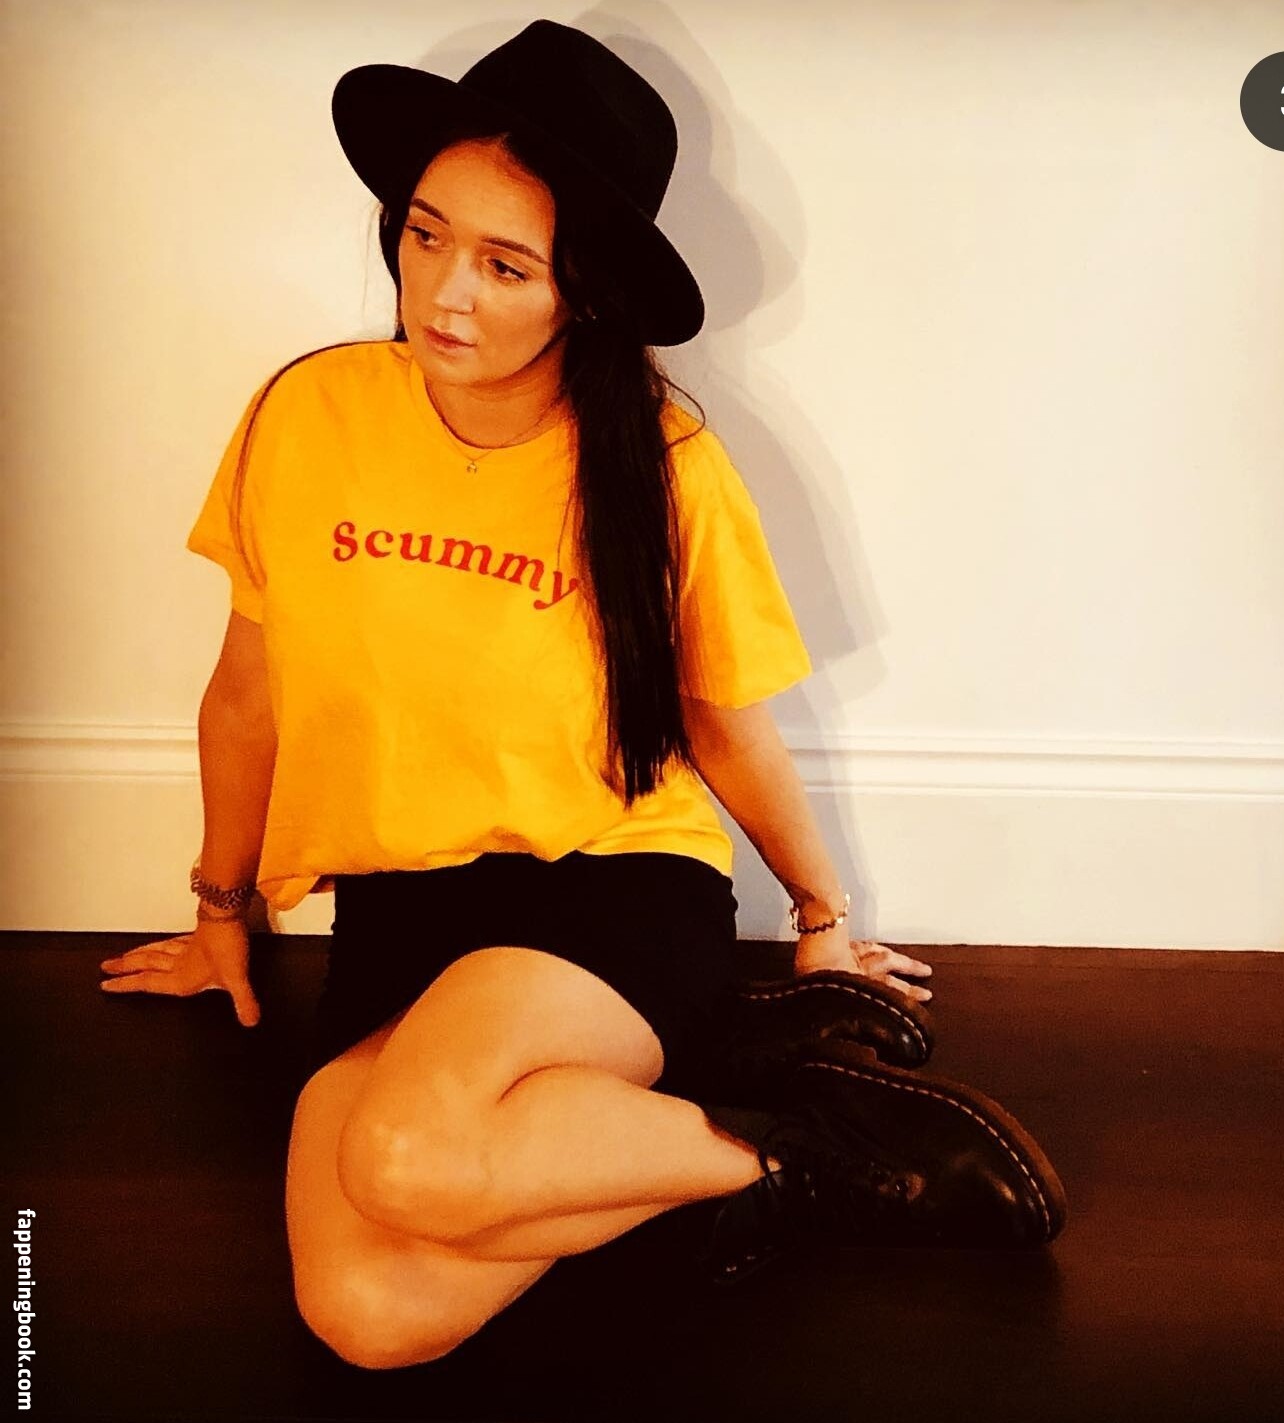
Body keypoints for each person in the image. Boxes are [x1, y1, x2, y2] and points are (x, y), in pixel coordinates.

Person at [98, 20, 1066, 1370]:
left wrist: (823, 917)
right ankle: (726, 1110)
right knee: (369, 1316)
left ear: (584, 290)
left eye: (506, 265)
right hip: (399, 909)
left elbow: (723, 716)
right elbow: (248, 689)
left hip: (608, 886)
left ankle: (821, 1156)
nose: (444, 294)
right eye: (425, 236)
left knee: (410, 1156)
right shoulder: (305, 417)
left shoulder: (662, 465)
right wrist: (221, 914)